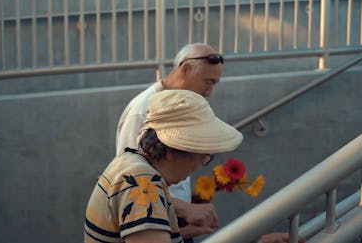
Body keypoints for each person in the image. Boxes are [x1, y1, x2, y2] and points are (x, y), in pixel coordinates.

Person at [84, 89, 243, 243]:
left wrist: (184, 232)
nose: (200, 165)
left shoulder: (130, 160)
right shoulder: (144, 185)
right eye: (203, 156)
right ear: (171, 151)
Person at [115, 43, 223, 241]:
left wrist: (189, 202)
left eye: (214, 83)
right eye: (208, 82)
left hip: (170, 216)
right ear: (185, 69)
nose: (210, 92)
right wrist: (186, 209)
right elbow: (128, 182)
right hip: (151, 219)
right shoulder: (142, 111)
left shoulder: (179, 105)